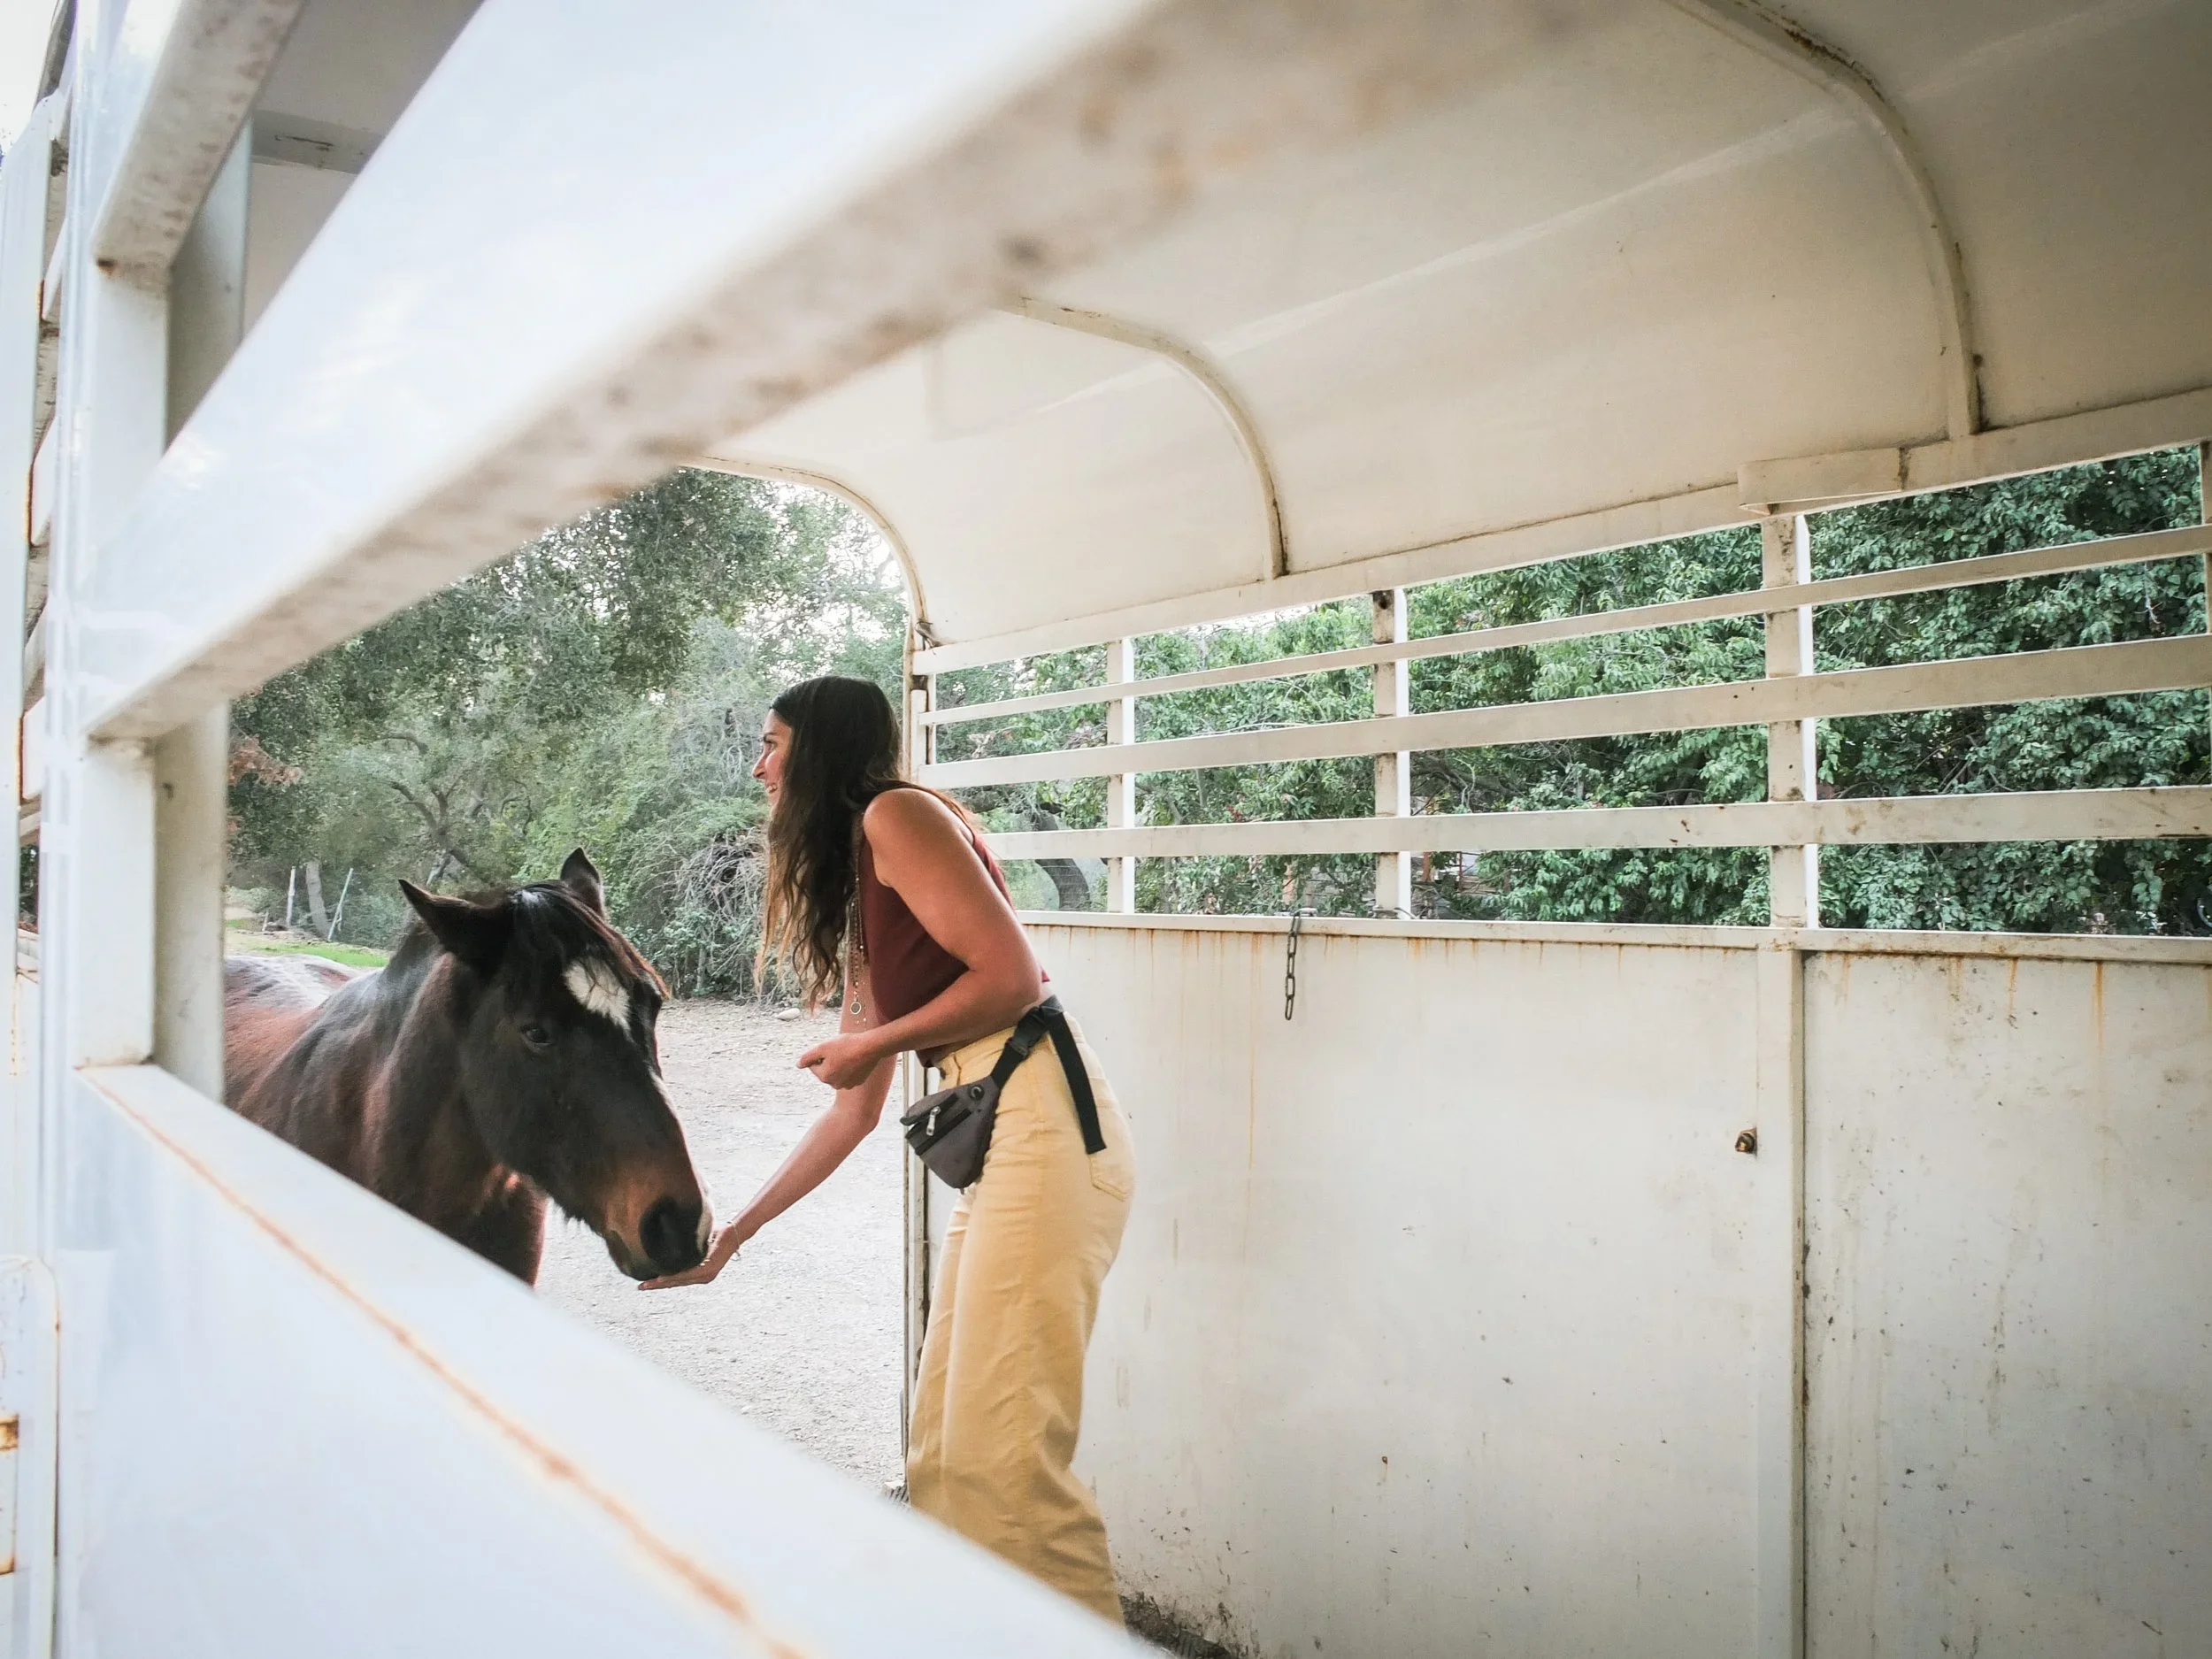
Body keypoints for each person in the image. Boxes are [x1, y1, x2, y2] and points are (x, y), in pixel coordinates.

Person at [643, 674, 1136, 1624]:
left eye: (772, 742)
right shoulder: (865, 892)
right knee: (945, 1464)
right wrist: (733, 1235)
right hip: (1012, 1137)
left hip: (1046, 1121)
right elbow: (850, 1114)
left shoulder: (896, 816)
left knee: (1006, 1469)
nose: (758, 767)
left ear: (818, 748)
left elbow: (1011, 981)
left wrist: (872, 1041)